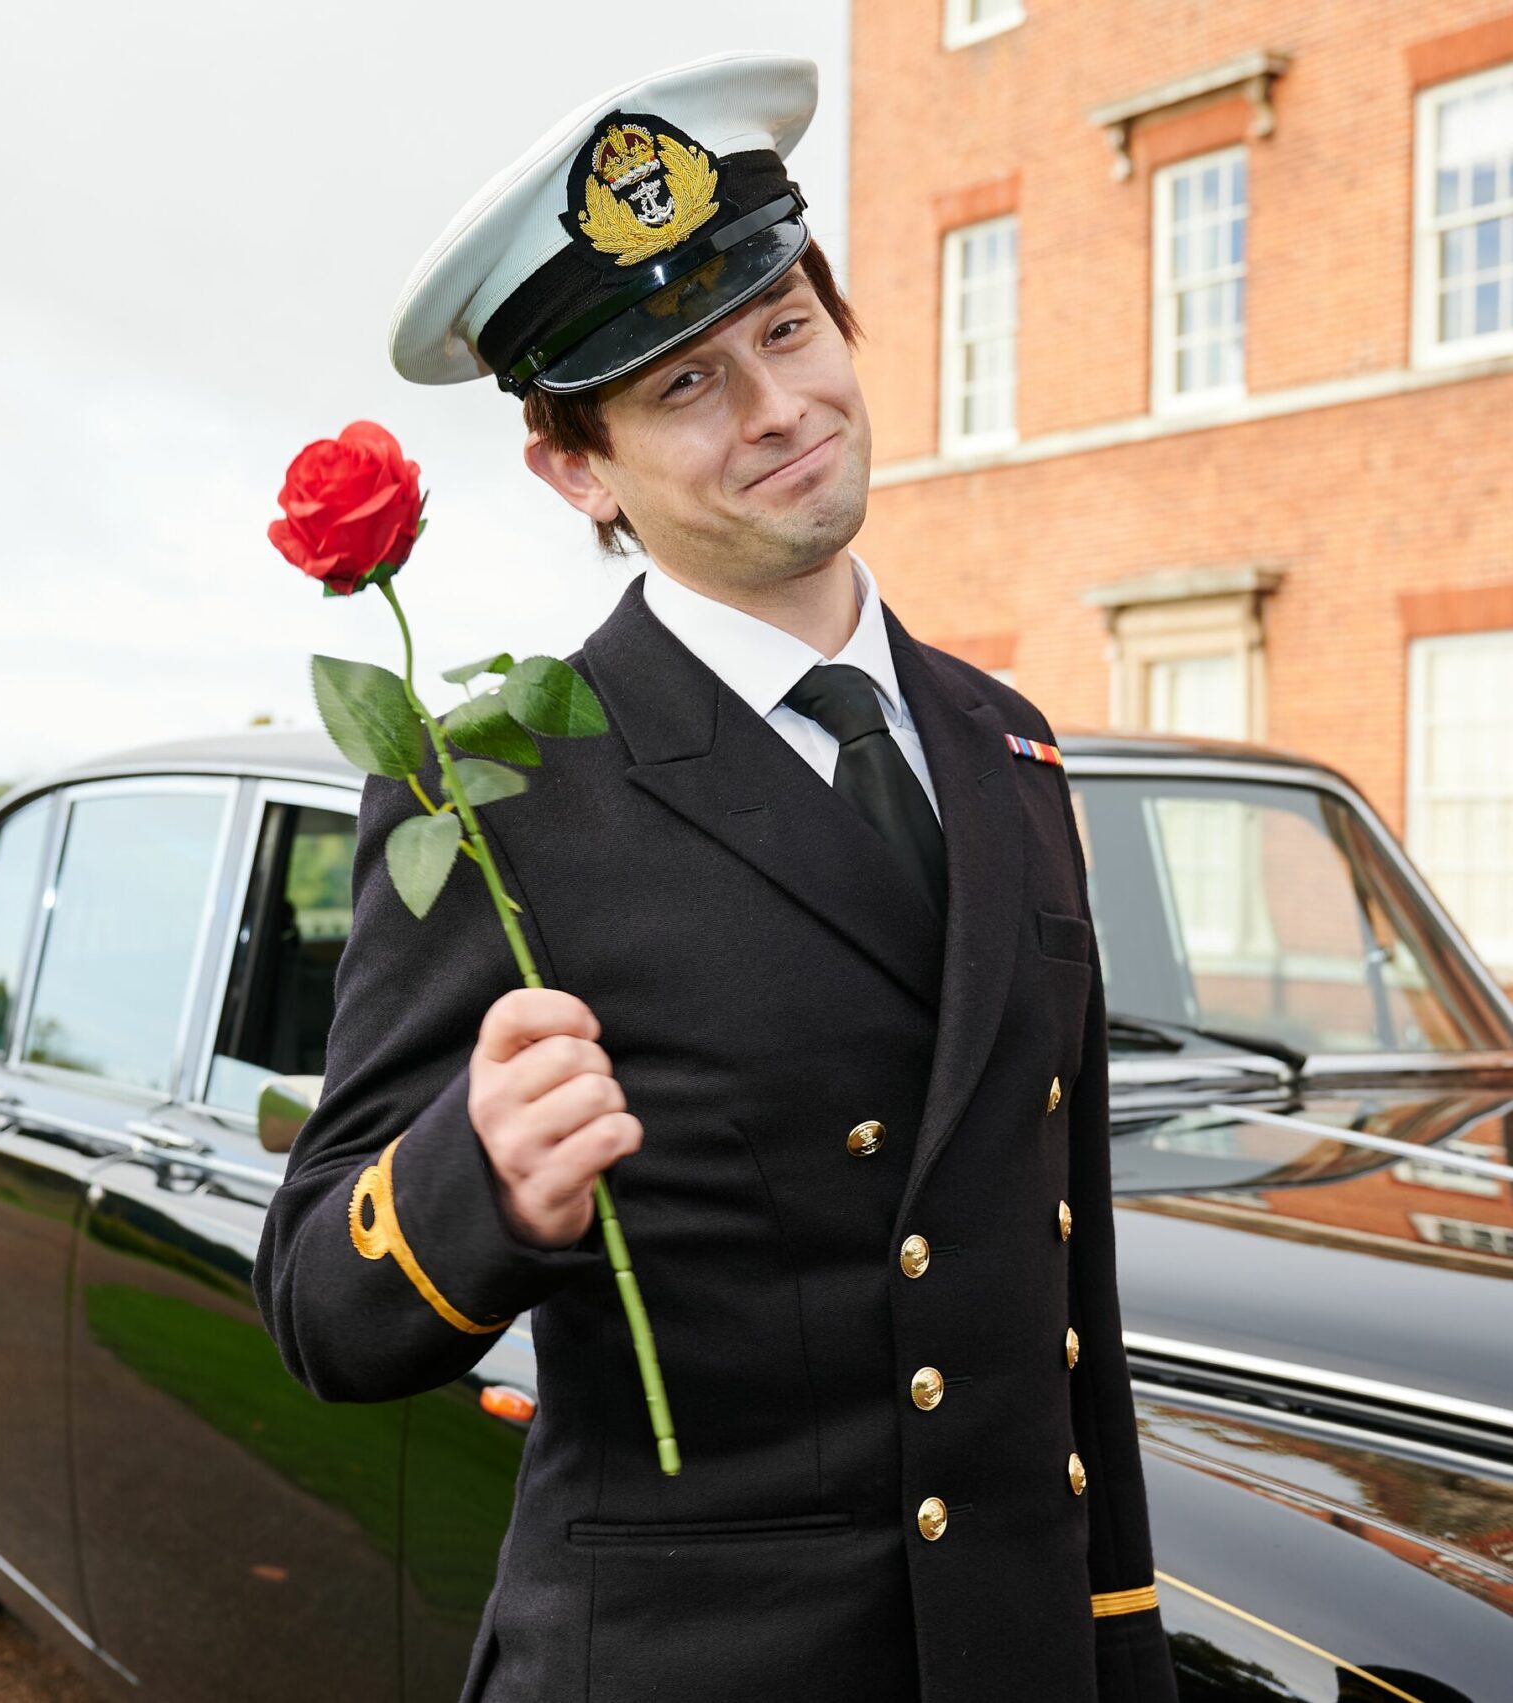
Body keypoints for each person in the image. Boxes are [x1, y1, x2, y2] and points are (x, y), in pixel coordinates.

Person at [249, 53, 1181, 1703]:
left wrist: (1120, 1654)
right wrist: (481, 1181)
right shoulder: (497, 792)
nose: (775, 409)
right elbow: (323, 1306)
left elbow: (1069, 1298)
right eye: (684, 383)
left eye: (788, 330)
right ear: (576, 468)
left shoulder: (1010, 747)